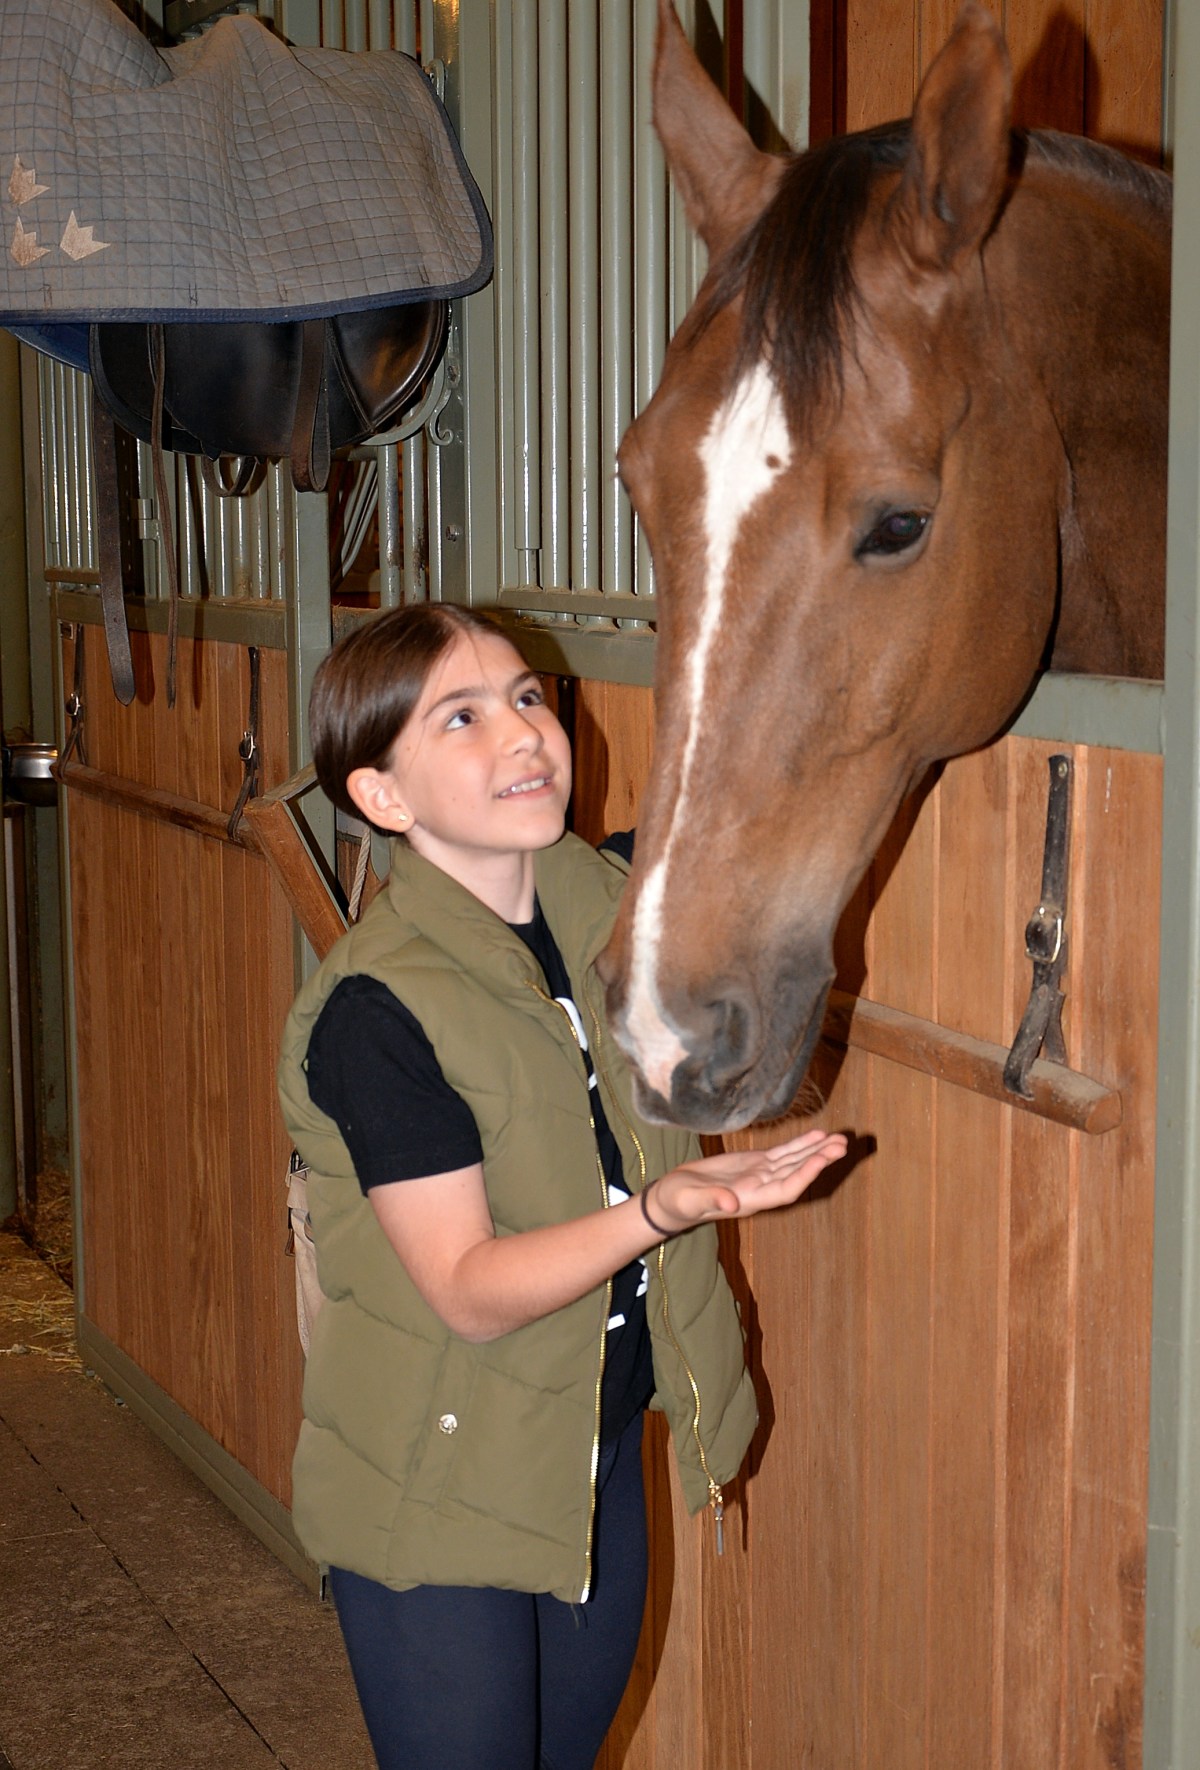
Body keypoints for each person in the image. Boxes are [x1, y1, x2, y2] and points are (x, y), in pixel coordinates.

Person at [276, 602, 847, 1770]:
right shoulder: (375, 1011)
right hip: (436, 1487)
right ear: (383, 795)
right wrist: (660, 1212)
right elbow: (471, 1289)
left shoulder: (609, 903)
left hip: (589, 1451)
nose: (524, 735)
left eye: (528, 697)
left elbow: (756, 791)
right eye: (462, 718)